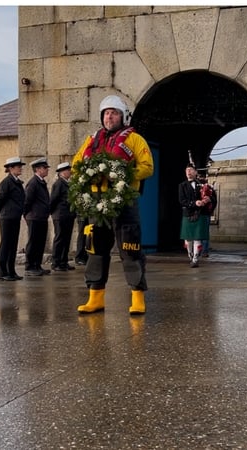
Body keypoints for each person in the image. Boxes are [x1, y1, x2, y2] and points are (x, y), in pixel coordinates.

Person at [72, 95, 154, 314]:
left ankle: (137, 297)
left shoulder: (135, 140)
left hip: (124, 201)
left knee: (130, 249)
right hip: (97, 203)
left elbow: (147, 167)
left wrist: (123, 174)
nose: (109, 117)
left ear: (122, 116)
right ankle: (95, 297)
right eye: (106, 113)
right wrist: (89, 176)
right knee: (95, 249)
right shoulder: (92, 140)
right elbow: (76, 164)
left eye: (114, 113)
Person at [0, 157, 26, 281]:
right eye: (18, 166)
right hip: (6, 217)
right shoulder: (6, 183)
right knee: (5, 244)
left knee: (13, 244)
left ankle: (11, 270)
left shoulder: (17, 182)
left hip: (15, 217)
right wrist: (1, 212)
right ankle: (3, 272)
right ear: (11, 169)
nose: (20, 168)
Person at [178, 164, 213, 268]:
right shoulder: (182, 185)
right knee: (188, 239)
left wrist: (207, 200)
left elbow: (212, 196)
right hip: (188, 214)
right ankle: (190, 255)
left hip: (200, 213)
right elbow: (182, 201)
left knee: (197, 238)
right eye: (187, 170)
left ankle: (195, 259)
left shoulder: (202, 184)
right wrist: (194, 203)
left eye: (191, 170)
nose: (188, 172)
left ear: (195, 172)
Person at [23, 158, 51, 276]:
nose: (47, 170)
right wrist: (27, 215)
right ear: (38, 169)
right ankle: (30, 266)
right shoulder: (33, 183)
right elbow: (27, 201)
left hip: (41, 217)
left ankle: (37, 265)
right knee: (33, 242)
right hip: (34, 217)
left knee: (40, 242)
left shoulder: (41, 182)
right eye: (44, 168)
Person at [50, 162, 77, 271]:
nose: (69, 172)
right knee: (60, 238)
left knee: (66, 238)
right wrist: (53, 212)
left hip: (68, 215)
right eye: (67, 170)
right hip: (60, 215)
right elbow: (53, 200)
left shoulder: (67, 183)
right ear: (62, 173)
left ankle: (63, 261)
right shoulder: (59, 184)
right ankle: (56, 262)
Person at [197, 170, 217, 257]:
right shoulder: (209, 188)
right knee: (203, 233)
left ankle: (202, 250)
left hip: (202, 213)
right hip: (203, 213)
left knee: (201, 233)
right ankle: (203, 251)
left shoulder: (207, 188)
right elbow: (215, 201)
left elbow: (214, 200)